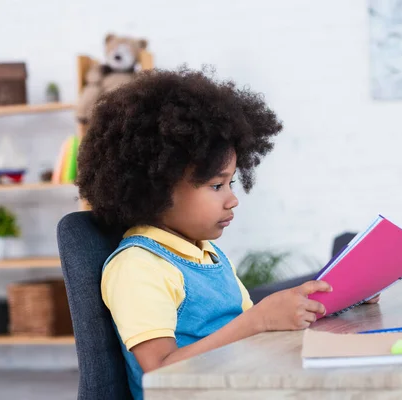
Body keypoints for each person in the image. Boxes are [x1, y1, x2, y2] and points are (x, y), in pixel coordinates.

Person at [76, 67, 379, 399]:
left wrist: (335, 302)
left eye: (231, 182)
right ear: (157, 188)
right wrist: (257, 321)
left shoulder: (205, 253)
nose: (232, 198)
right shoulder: (139, 266)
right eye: (216, 185)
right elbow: (162, 370)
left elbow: (250, 330)